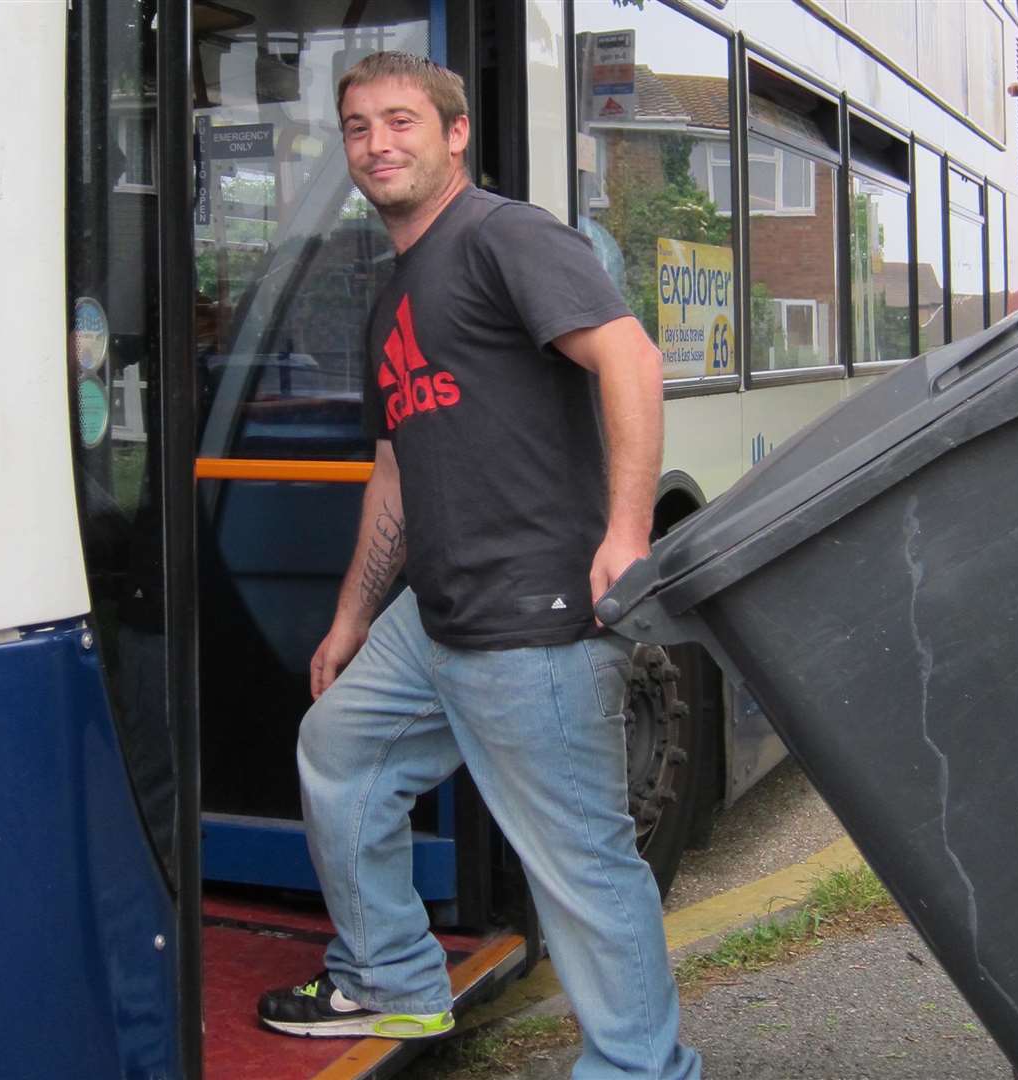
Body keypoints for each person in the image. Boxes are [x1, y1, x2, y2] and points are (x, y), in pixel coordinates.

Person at [257, 52, 701, 1079]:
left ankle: (641, 1071)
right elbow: (396, 472)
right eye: (359, 127)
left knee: (582, 869)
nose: (379, 145)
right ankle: (393, 977)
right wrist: (352, 616)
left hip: (535, 618)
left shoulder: (504, 235)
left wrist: (625, 534)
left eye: (402, 121)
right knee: (339, 752)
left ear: (455, 135)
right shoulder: (395, 292)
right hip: (439, 612)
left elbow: (629, 358)